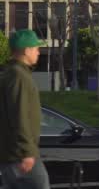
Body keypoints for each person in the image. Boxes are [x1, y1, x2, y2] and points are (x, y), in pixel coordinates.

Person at [0, 29, 49, 189]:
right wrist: (27, 152)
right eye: (36, 48)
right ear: (27, 50)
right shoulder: (19, 76)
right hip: (20, 156)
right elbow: (19, 115)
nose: (38, 52)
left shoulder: (10, 74)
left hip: (11, 155)